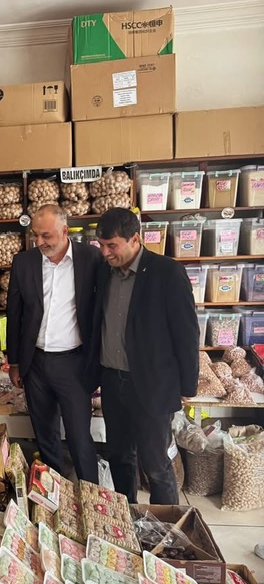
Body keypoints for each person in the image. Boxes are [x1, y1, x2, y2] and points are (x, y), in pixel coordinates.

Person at [93, 207, 199, 504]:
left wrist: (187, 385)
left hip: (153, 384)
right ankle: (127, 516)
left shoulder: (167, 273)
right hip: (113, 381)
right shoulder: (104, 272)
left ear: (135, 239)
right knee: (119, 456)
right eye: (101, 245)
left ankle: (166, 525)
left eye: (112, 245)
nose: (105, 253)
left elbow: (186, 332)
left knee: (155, 464)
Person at [6, 204, 101, 482]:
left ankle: (90, 493)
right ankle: (53, 495)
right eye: (35, 235)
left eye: (46, 236)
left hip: (74, 363)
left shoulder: (91, 258)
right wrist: (15, 362)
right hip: (35, 362)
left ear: (65, 231)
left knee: (79, 436)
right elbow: (14, 314)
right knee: (45, 435)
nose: (39, 242)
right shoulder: (24, 262)